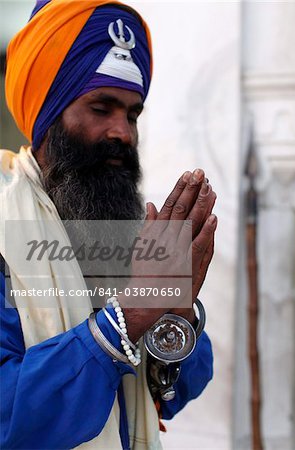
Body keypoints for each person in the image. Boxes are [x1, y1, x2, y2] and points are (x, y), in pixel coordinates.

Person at [0, 1, 217, 449]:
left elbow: (169, 399)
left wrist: (176, 314)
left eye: (132, 114)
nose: (124, 132)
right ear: (47, 117)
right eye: (102, 108)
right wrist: (129, 315)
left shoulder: (120, 227)